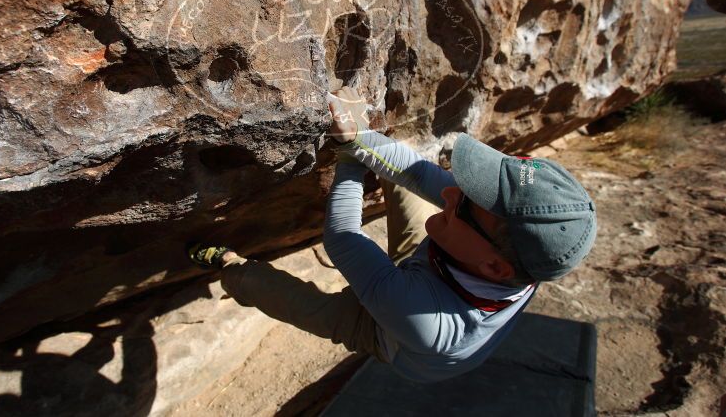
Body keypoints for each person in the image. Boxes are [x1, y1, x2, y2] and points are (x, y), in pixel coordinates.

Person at [187, 86, 597, 382]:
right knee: (400, 174)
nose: (451, 191)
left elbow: (344, 239)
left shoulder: (429, 327)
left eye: (467, 203)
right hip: (428, 277)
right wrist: (357, 136)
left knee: (291, 301)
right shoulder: (523, 253)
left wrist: (348, 158)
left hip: (389, 335)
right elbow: (420, 174)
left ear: (493, 263)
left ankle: (229, 267)